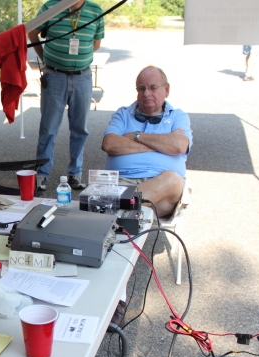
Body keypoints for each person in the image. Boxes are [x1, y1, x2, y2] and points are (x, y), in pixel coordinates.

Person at [27, 0, 105, 191]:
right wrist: (45, 58)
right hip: (54, 75)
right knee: (48, 128)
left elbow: (95, 43)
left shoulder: (95, 10)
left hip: (82, 77)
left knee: (80, 129)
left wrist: (79, 57)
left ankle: (75, 173)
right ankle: (42, 173)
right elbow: (32, 32)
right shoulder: (50, 7)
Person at [101, 66, 192, 217]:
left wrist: (136, 136)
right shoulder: (123, 114)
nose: (146, 93)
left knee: (173, 180)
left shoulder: (178, 116)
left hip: (163, 192)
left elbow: (179, 145)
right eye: (141, 88)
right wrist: (162, 144)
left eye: (153, 88)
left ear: (166, 89)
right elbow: (109, 144)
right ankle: (127, 210)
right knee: (103, 186)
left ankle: (119, 209)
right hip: (121, 183)